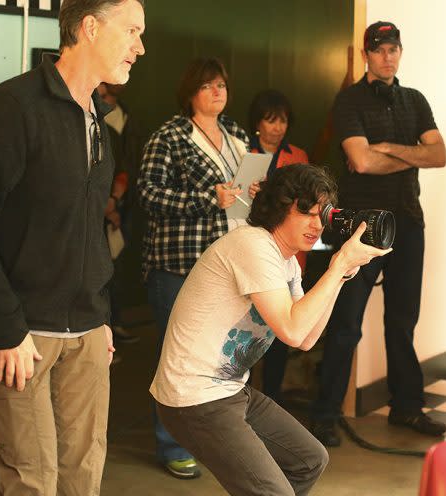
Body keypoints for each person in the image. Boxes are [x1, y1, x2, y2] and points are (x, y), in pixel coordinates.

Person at [0, 1, 145, 494]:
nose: (140, 48)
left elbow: (87, 227)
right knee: (31, 481)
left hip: (87, 332)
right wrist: (7, 330)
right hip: (23, 334)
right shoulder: (13, 106)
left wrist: (99, 316)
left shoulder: (99, 118)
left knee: (84, 476)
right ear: (90, 27)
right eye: (133, 32)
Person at [151, 164, 391, 495]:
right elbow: (291, 330)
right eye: (306, 212)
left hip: (229, 391)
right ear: (280, 207)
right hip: (193, 396)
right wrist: (337, 266)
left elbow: (306, 338)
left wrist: (345, 269)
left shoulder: (287, 262)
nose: (316, 224)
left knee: (309, 459)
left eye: (322, 215)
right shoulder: (252, 244)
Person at [310, 21, 446, 446]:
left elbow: (439, 154)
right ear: (366, 54)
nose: (387, 56)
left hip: (408, 221)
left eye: (394, 49)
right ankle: (324, 416)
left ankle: (406, 408)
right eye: (379, 50)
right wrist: (410, 155)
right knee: (347, 323)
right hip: (362, 227)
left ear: (400, 53)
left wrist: (385, 147)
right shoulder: (349, 101)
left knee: (403, 320)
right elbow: (361, 162)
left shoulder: (415, 100)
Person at [137, 57, 249, 479]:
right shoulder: (170, 135)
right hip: (178, 264)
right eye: (208, 86)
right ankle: (171, 443)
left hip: (230, 263)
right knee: (177, 359)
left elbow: (242, 197)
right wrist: (207, 198)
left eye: (222, 85)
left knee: (222, 357)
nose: (217, 92)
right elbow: (147, 195)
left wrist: (254, 191)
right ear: (191, 92)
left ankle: (217, 439)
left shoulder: (237, 134)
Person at [248, 89, 309, 403]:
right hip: (254, 252)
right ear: (258, 123)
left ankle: (272, 396)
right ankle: (243, 393)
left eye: (282, 120)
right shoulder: (243, 151)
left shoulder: (297, 154)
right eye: (270, 120)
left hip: (289, 254)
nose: (277, 127)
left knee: (282, 331)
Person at [98, 82, 142, 346]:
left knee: (115, 266)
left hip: (121, 204)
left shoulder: (126, 116)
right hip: (96, 210)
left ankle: (115, 324)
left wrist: (115, 201)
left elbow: (127, 167)